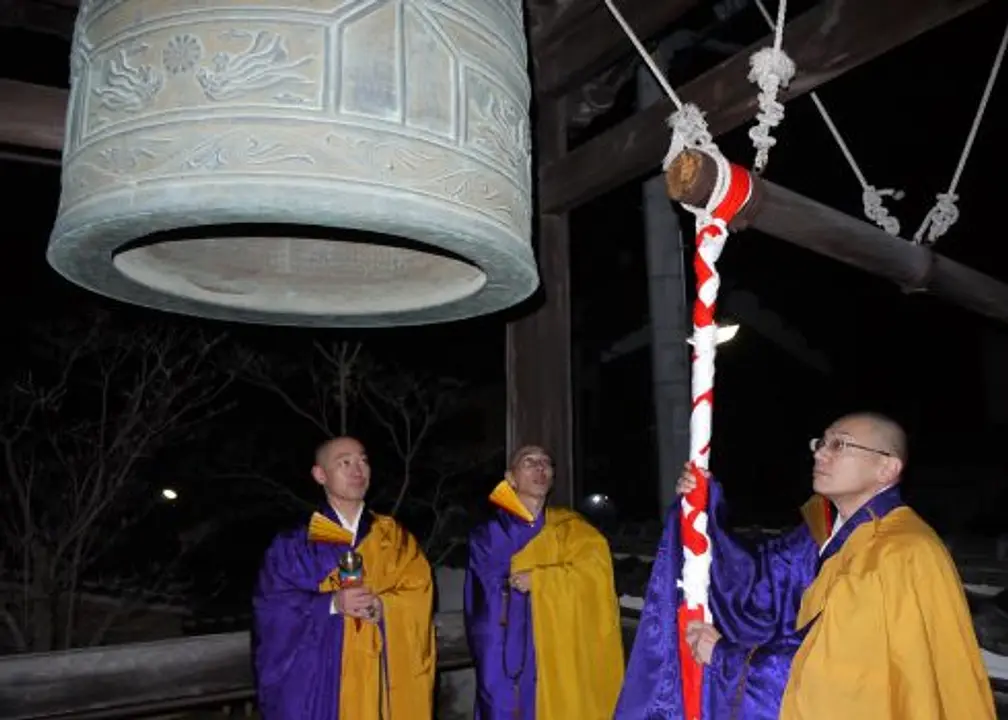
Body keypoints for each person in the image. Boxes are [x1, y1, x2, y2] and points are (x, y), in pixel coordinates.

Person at [616, 412, 995, 719]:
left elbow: (836, 678)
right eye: (820, 443)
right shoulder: (830, 534)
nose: (820, 453)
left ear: (887, 469)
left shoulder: (896, 552)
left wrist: (725, 656)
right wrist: (703, 512)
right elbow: (760, 583)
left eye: (839, 445)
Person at [252, 436, 436, 719]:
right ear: (320, 475)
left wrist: (384, 606)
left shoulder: (395, 538)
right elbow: (273, 609)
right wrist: (331, 605)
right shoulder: (294, 546)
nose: (357, 469)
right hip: (323, 683)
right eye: (345, 462)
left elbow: (418, 591)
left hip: (380, 678)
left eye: (363, 460)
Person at [464, 445, 625, 719]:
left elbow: (595, 575)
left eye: (546, 463)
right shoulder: (489, 535)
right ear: (510, 477)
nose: (540, 468)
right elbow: (483, 602)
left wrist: (541, 580)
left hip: (561, 649)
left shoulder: (572, 528)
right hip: (507, 649)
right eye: (529, 462)